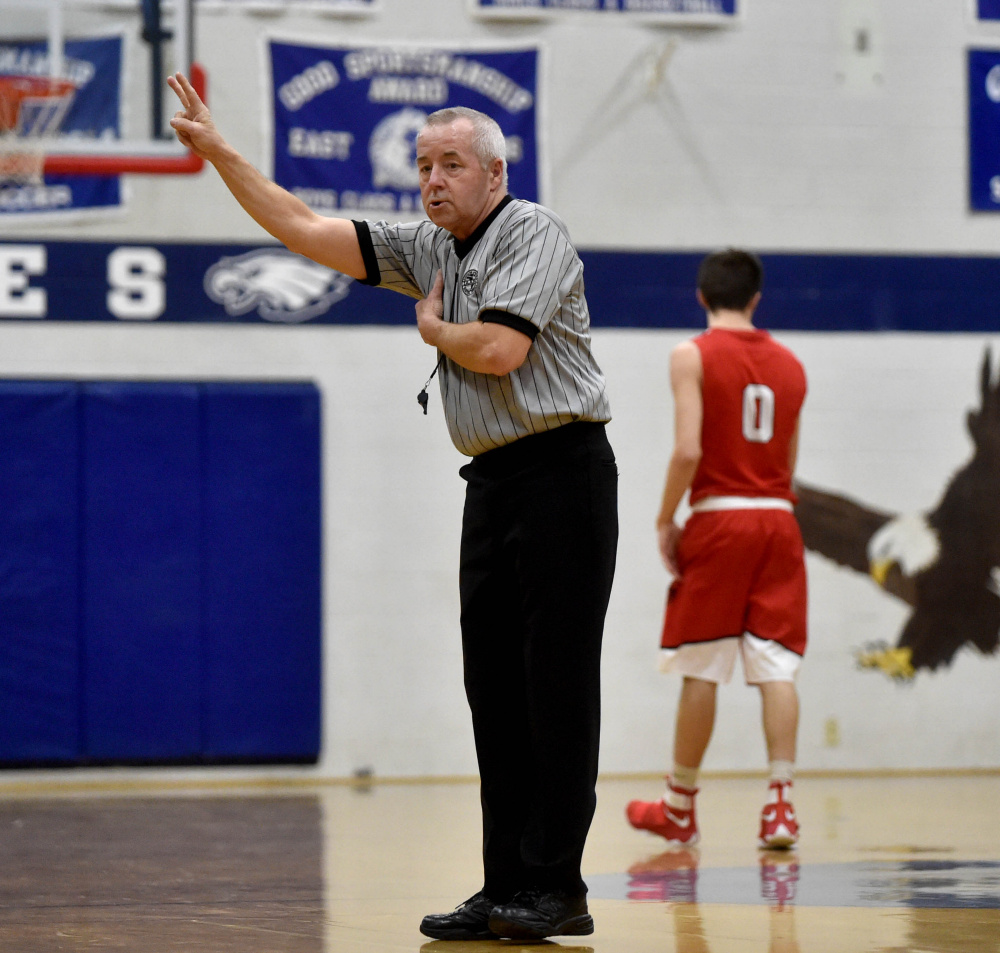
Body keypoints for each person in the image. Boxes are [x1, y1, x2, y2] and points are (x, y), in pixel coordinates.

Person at [166, 75, 618, 940]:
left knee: (554, 687)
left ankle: (558, 886)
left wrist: (436, 333)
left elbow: (495, 347)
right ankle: (504, 885)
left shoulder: (534, 230)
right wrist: (222, 153)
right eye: (422, 166)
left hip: (564, 475)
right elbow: (302, 228)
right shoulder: (428, 247)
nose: (433, 179)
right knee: (495, 691)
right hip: (491, 481)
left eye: (451, 163)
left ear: (494, 171)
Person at [626, 249, 807, 851]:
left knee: (701, 664)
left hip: (721, 518)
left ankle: (680, 806)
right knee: (776, 665)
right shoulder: (792, 366)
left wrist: (663, 517)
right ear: (756, 298)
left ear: (701, 296)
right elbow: (789, 464)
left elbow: (687, 451)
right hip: (779, 519)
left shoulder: (691, 354)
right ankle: (780, 807)